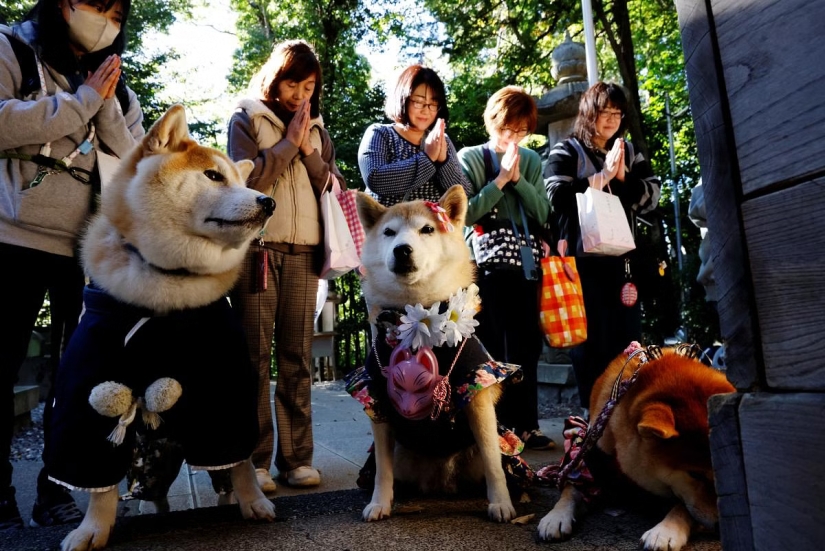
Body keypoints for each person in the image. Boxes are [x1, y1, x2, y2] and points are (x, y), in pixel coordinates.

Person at [0, 0, 144, 530]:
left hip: (83, 252)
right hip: (11, 238)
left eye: (114, 10)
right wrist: (80, 101)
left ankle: (55, 490)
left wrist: (102, 102)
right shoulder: (11, 48)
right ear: (61, 4)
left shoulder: (117, 86)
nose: (104, 18)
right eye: (94, 4)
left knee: (75, 375)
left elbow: (135, 159)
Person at [227, 39, 345, 493]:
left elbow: (333, 185)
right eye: (292, 83)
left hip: (305, 251)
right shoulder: (247, 117)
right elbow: (246, 181)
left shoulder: (317, 129)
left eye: (309, 85)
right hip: (258, 248)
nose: (300, 94)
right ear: (275, 79)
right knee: (254, 357)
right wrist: (286, 145)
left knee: (297, 356)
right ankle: (254, 460)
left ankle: (297, 458)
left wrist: (308, 149)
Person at [543, 81, 661, 412]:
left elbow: (653, 195)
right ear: (588, 113)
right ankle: (591, 414)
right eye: (604, 112)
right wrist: (601, 177)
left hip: (623, 262)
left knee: (627, 338)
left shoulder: (629, 152)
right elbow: (556, 196)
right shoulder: (566, 150)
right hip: (582, 261)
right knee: (589, 340)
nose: (611, 120)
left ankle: (624, 411)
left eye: (617, 113)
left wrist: (622, 179)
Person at [457, 85, 554, 450]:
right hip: (483, 265)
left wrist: (519, 181)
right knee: (491, 343)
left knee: (527, 344)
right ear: (492, 123)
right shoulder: (471, 158)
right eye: (506, 129)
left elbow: (544, 212)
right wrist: (499, 181)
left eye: (520, 131)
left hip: (524, 264)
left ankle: (528, 424)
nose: (512, 137)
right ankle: (493, 425)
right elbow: (467, 213)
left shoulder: (530, 161)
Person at [357, 64, 471, 206]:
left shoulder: (442, 141)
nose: (426, 110)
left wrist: (443, 161)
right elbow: (376, 179)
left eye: (433, 103)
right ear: (403, 100)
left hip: (431, 227)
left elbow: (463, 193)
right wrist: (427, 158)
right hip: (392, 226)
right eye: (418, 102)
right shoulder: (380, 133)